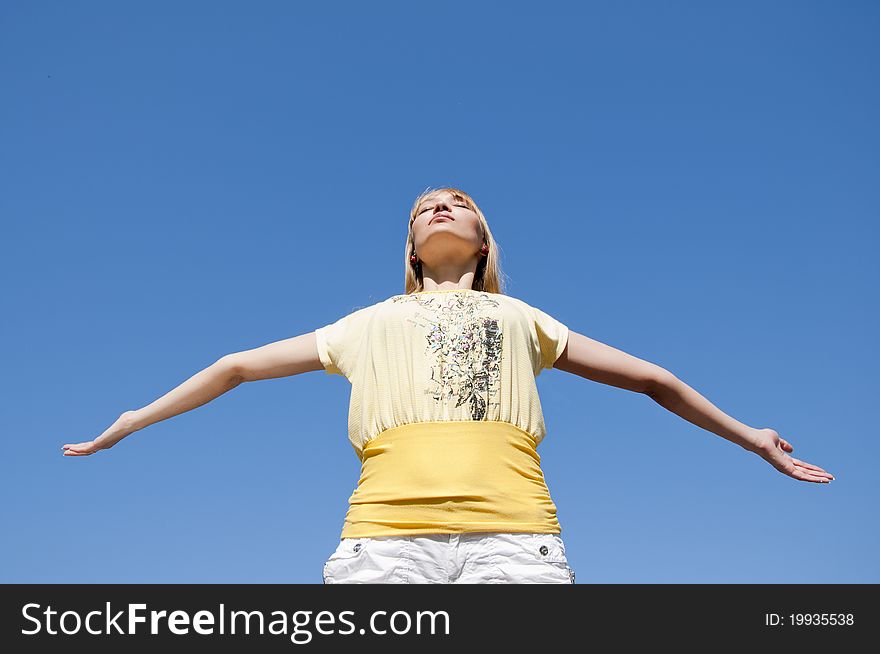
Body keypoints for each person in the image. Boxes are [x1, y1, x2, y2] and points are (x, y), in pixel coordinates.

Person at [62, 186, 835, 584]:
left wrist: (751, 436)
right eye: (424, 206)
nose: (441, 205)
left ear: (482, 235)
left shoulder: (525, 318)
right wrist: (135, 417)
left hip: (517, 541)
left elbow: (654, 380)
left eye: (459, 201)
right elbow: (233, 366)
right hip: (381, 545)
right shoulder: (361, 324)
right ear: (409, 243)